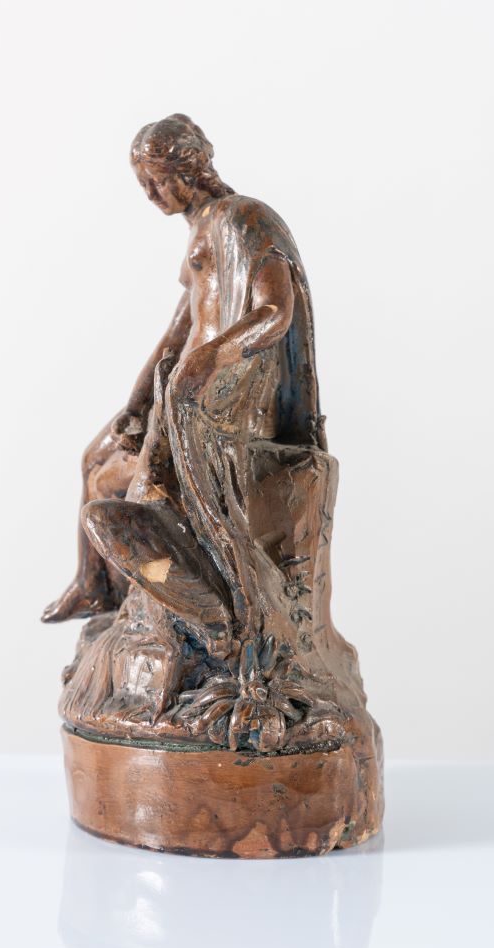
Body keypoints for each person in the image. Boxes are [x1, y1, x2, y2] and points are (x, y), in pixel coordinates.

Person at [42, 113, 325, 625]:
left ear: (189, 168)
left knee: (124, 492)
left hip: (216, 400)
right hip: (178, 389)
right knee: (94, 460)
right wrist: (136, 402)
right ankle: (95, 587)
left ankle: (171, 612)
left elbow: (275, 312)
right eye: (143, 185)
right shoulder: (200, 229)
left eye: (157, 181)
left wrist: (211, 358)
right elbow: (177, 331)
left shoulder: (244, 218)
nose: (152, 195)